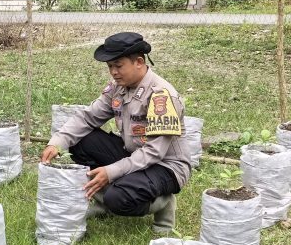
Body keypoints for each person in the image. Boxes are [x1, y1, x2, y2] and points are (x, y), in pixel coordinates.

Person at [40, 32, 190, 232]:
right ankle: (106, 201)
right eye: (110, 66)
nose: (113, 72)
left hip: (165, 166)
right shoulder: (118, 88)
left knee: (118, 198)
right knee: (79, 141)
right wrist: (57, 142)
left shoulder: (161, 95)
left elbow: (154, 152)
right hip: (133, 155)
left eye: (118, 66)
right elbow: (88, 118)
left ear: (139, 62)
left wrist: (111, 172)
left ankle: (163, 202)